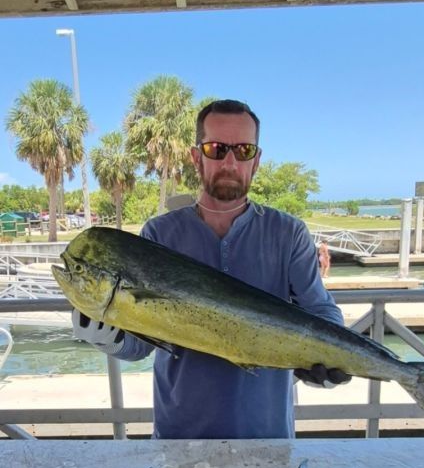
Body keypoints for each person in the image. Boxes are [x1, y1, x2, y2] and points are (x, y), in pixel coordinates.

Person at [72, 99, 350, 439]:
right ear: (196, 157)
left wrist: (337, 356)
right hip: (179, 440)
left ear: (256, 160)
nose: (230, 162)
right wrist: (101, 333)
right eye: (216, 149)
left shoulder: (287, 232)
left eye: (244, 150)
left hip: (268, 438)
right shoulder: (159, 234)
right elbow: (141, 345)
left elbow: (320, 308)